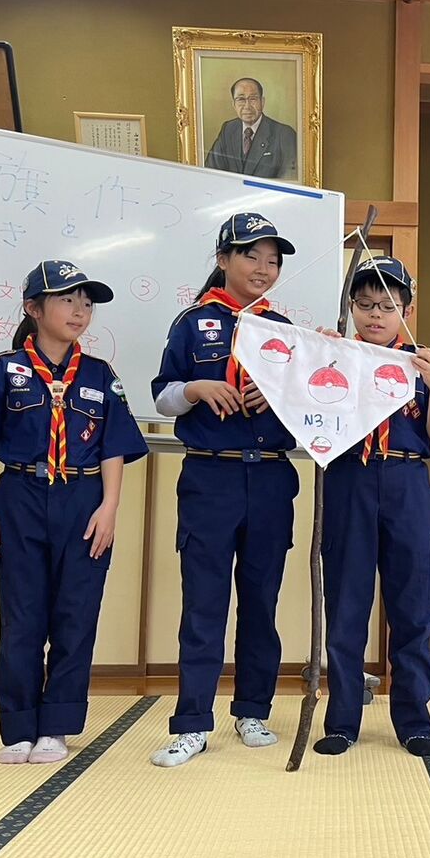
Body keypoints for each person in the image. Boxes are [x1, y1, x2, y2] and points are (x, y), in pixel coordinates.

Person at [0, 260, 147, 765]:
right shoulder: (3, 369)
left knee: (76, 616)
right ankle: (18, 725)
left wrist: (110, 507)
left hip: (84, 500)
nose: (79, 311)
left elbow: (114, 447)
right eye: (67, 300)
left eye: (86, 302)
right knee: (22, 617)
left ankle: (56, 725)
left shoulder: (100, 375)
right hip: (20, 497)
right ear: (33, 309)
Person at [149, 212, 299, 767]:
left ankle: (253, 710)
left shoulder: (284, 329)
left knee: (261, 601)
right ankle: (191, 723)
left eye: (272, 260)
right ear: (222, 259)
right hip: (210, 477)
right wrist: (196, 387)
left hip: (271, 478)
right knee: (204, 603)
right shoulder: (192, 322)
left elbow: (311, 404)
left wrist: (280, 394)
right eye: (250, 256)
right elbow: (162, 396)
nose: (263, 268)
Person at [313, 257, 430, 758]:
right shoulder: (336, 354)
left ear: (407, 311)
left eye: (388, 306)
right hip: (349, 479)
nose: (376, 315)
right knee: (346, 607)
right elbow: (311, 413)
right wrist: (316, 358)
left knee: (413, 609)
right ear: (352, 307)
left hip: (407, 480)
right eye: (366, 304)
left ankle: (414, 720)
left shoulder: (422, 362)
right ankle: (342, 720)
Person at [204, 77, 298, 180]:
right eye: (241, 99)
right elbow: (211, 172)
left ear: (262, 102)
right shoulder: (228, 129)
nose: (247, 106)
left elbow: (290, 180)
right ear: (234, 104)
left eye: (253, 99)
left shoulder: (285, 135)